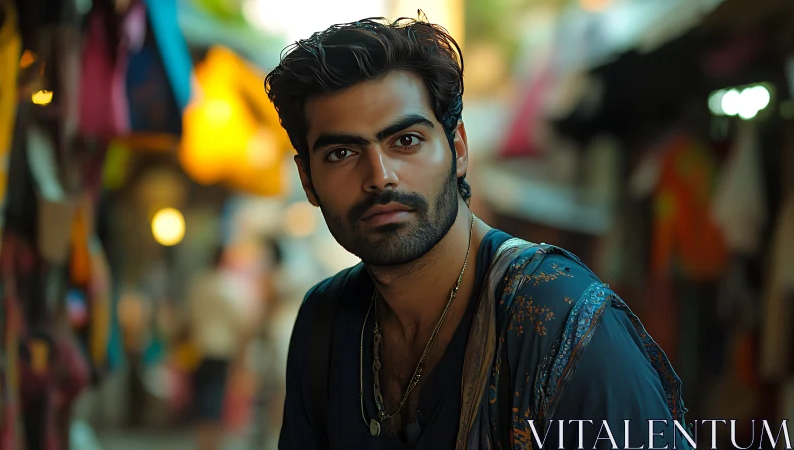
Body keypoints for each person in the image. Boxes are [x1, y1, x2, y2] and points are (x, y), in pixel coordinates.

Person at [264, 16, 693, 450]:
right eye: (341, 152)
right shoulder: (325, 323)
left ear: (459, 149)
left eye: (406, 141)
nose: (380, 176)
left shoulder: (555, 319)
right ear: (308, 180)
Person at [187, 245, 254, 450]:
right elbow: (241, 321)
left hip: (199, 347)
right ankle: (211, 443)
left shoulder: (199, 284)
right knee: (214, 397)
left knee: (202, 396)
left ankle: (202, 441)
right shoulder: (227, 287)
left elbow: (188, 316)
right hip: (221, 348)